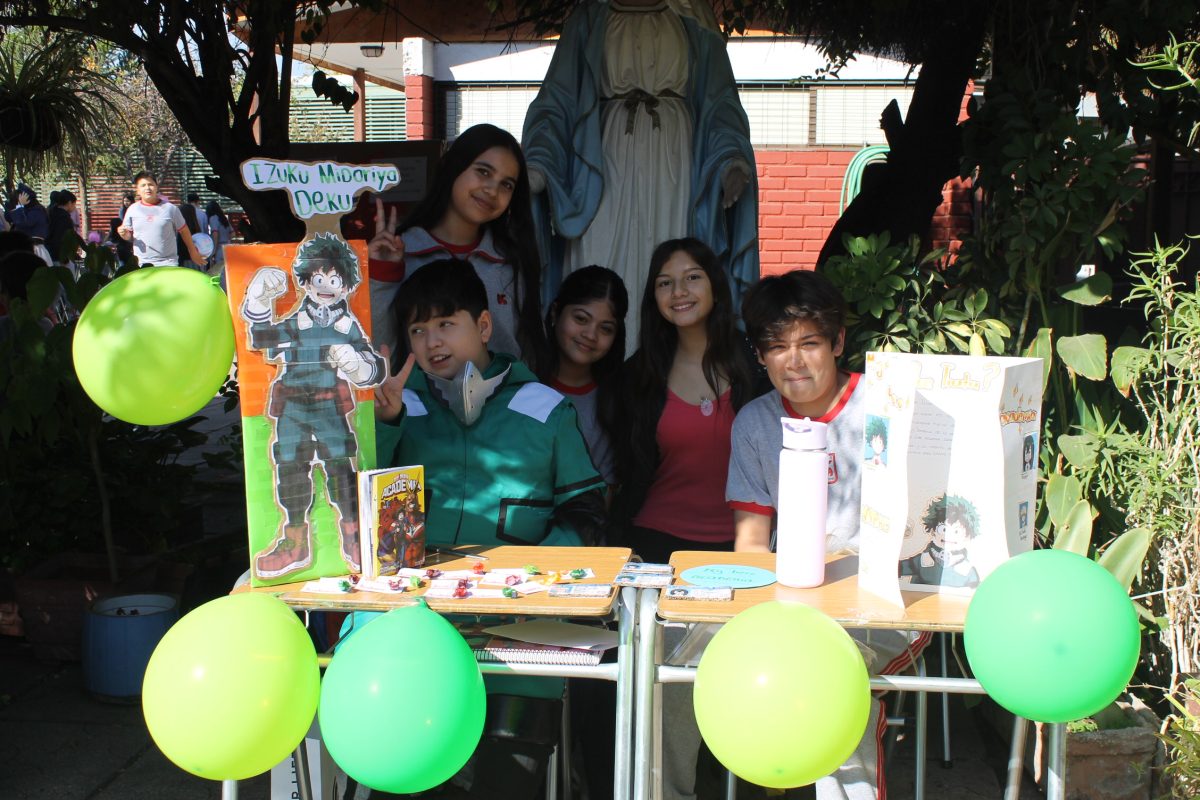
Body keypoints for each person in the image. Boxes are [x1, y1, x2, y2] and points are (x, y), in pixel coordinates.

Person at [366, 258, 605, 797]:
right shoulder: (399, 408)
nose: (432, 342)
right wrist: (383, 426)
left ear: (483, 326)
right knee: (408, 776)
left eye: (446, 323)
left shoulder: (544, 407)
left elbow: (586, 510)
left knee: (508, 781)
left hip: (520, 642)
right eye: (418, 330)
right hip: (417, 637)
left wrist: (534, 575)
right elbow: (357, 508)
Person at [727, 268, 930, 800]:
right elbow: (751, 544)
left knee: (832, 677)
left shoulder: (886, 407)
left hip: (889, 603)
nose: (793, 361)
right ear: (760, 356)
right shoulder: (755, 422)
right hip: (788, 602)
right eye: (776, 348)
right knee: (681, 661)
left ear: (838, 342)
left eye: (809, 344)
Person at [522, 0, 758, 349]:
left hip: (676, 166)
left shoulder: (693, 14)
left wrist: (730, 159)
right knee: (596, 266)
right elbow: (557, 102)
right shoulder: (589, 17)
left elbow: (720, 100)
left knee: (672, 266)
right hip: (600, 168)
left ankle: (668, 379)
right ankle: (596, 379)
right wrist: (539, 164)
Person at [240, 233, 387, 580]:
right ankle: (294, 541)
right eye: (318, 278)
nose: (325, 285)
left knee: (341, 467)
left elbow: (375, 368)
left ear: (346, 284)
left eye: (334, 279)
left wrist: (358, 365)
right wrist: (258, 300)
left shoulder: (347, 324)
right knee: (289, 468)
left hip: (329, 406)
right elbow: (261, 338)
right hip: (291, 404)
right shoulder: (297, 320)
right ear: (305, 279)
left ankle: (353, 535)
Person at [612, 237, 757, 564]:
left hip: (746, 543)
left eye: (693, 277)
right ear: (654, 297)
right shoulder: (637, 374)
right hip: (655, 542)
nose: (678, 291)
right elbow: (626, 467)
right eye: (665, 283)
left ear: (716, 287)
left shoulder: (755, 363)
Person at [368, 123, 548, 372]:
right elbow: (379, 356)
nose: (492, 190)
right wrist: (382, 275)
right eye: (483, 172)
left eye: (506, 184)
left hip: (500, 407)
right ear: (452, 167)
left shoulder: (511, 262)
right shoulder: (399, 253)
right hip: (421, 408)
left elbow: (528, 352)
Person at [541, 265, 628, 489]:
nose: (590, 335)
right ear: (555, 313)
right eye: (581, 319)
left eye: (605, 329)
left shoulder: (614, 403)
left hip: (582, 522)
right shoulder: (520, 385)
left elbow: (604, 495)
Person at [117, 171, 204, 267]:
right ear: (137, 190)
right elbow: (128, 236)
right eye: (143, 185)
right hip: (142, 263)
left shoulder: (170, 208)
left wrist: (192, 251)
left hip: (168, 263)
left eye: (150, 184)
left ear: (156, 187)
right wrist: (124, 234)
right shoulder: (132, 209)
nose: (147, 188)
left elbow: (184, 230)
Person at [6, 184, 51, 266]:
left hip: (35, 249)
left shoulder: (37, 211)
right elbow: (9, 217)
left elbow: (23, 222)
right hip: (24, 249)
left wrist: (19, 206)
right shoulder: (23, 211)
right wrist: (16, 207)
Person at [46, 190, 80, 265]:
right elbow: (61, 238)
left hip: (49, 254)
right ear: (69, 203)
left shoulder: (51, 213)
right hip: (60, 257)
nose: (74, 207)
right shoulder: (64, 218)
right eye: (74, 204)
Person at [205, 200, 233, 272]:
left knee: (218, 271)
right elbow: (233, 233)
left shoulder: (213, 218)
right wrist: (227, 239)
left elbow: (215, 234)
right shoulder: (224, 218)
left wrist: (214, 251)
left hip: (219, 248)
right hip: (227, 247)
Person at [108, 192, 135, 264]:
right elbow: (122, 222)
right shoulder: (122, 210)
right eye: (125, 201)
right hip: (123, 235)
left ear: (132, 201)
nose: (126, 203)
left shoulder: (135, 209)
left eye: (128, 201)